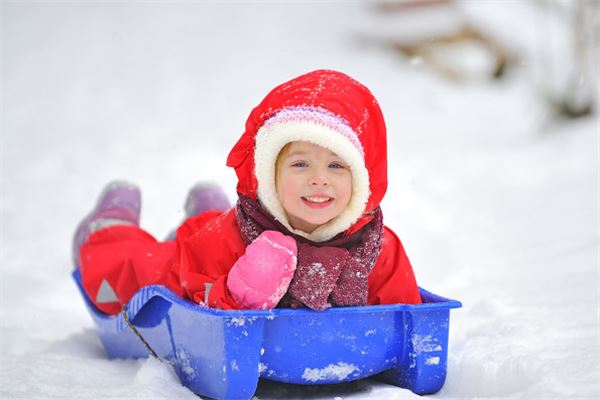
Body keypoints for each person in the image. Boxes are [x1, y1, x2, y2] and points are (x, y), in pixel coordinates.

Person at [73, 69, 422, 315]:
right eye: (300, 165)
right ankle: (109, 226)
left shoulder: (378, 247)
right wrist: (243, 292)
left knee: (202, 228)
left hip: (213, 235)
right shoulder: (232, 237)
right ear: (269, 175)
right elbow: (192, 310)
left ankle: (204, 208)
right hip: (196, 254)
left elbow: (405, 312)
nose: (319, 179)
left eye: (336, 166)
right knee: (128, 276)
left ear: (361, 180)